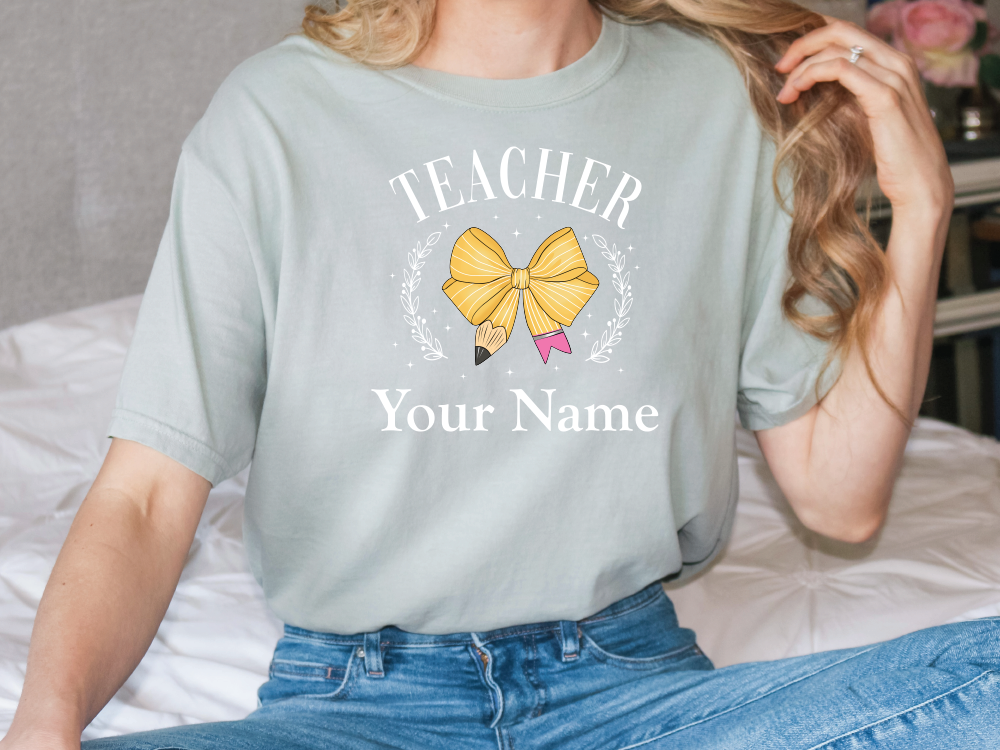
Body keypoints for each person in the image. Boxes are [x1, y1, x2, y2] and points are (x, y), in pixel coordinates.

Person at [3, 0, 997, 748]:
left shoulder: (718, 101)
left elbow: (840, 501)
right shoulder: (275, 116)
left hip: (632, 693)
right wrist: (41, 727)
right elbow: (141, 497)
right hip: (356, 705)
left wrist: (918, 209)